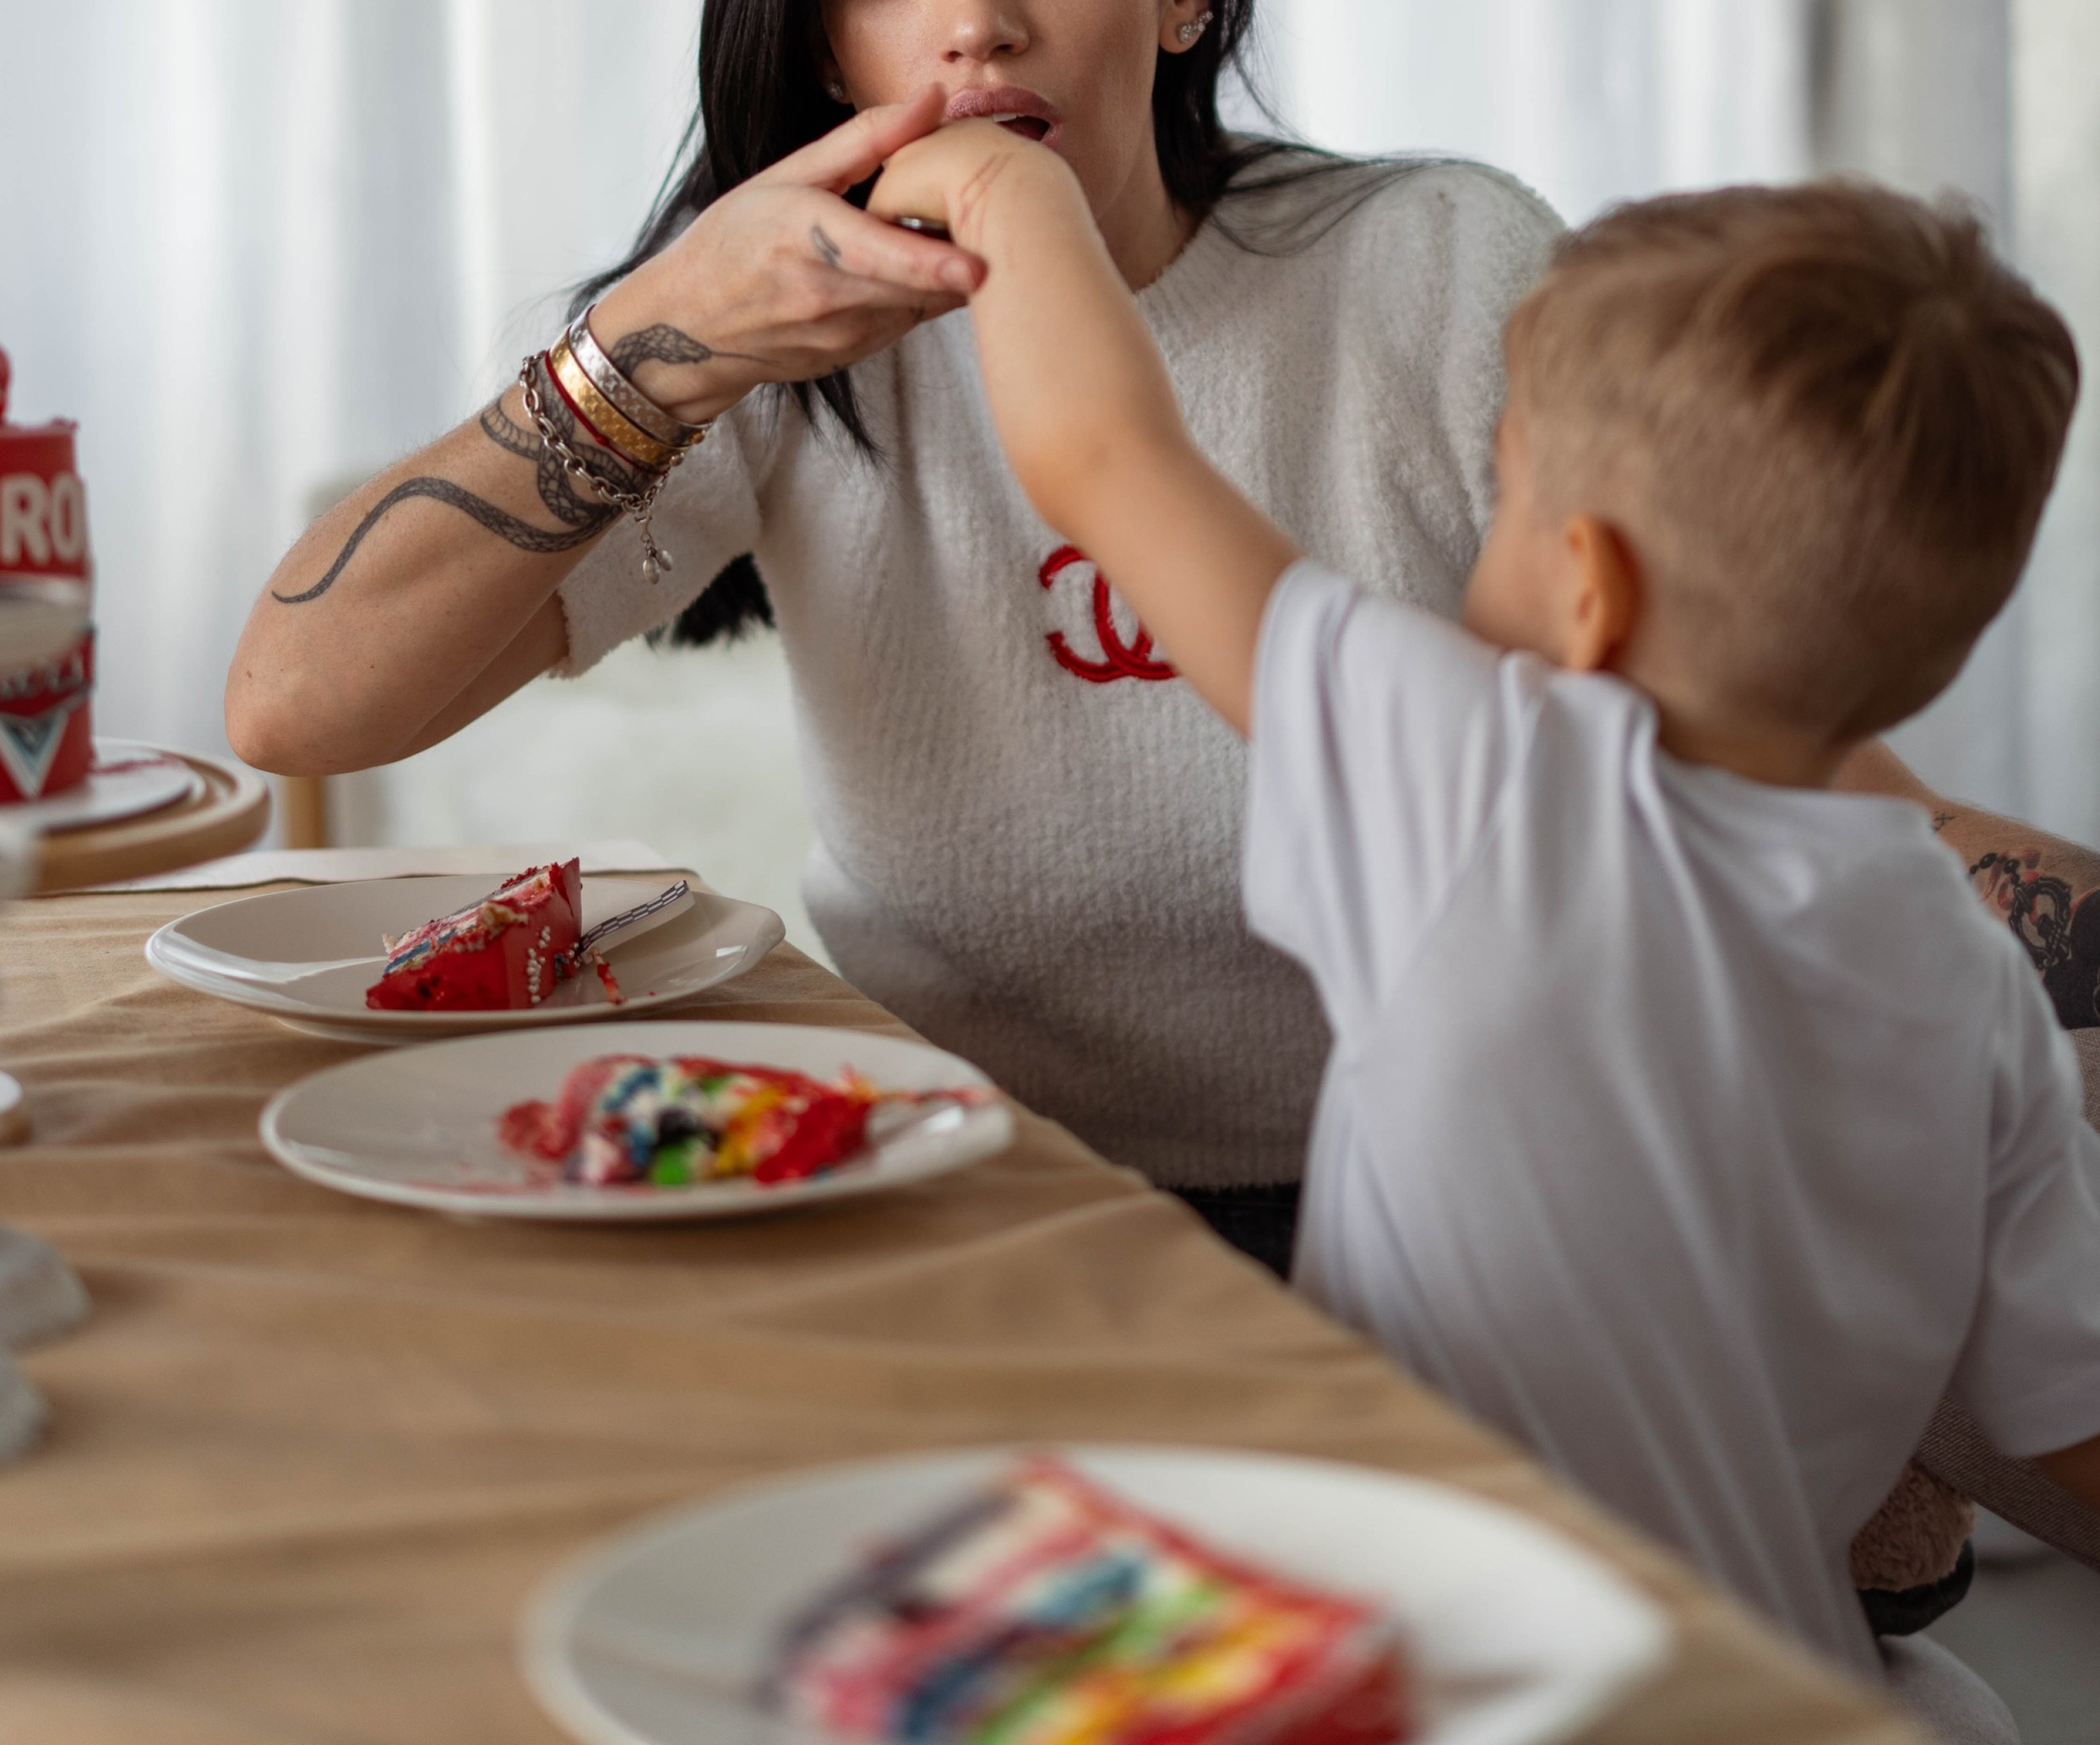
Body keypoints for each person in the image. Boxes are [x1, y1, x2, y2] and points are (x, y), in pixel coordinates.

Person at [228, 0, 1559, 1263]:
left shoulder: (1443, 265)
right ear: (821, 44)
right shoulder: (776, 339)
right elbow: (296, 703)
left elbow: (1724, 778)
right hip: (942, 1202)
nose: (977, 26)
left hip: (1448, 1215)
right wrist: (661, 338)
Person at [862, 119, 2100, 1703]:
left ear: (1589, 589)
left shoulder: (1479, 779)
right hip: (1774, 1685)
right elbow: (2069, 1404)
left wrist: (1006, 188)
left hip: (1449, 1680)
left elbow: (1105, 456)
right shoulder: (1962, 970)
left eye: (1503, 489)